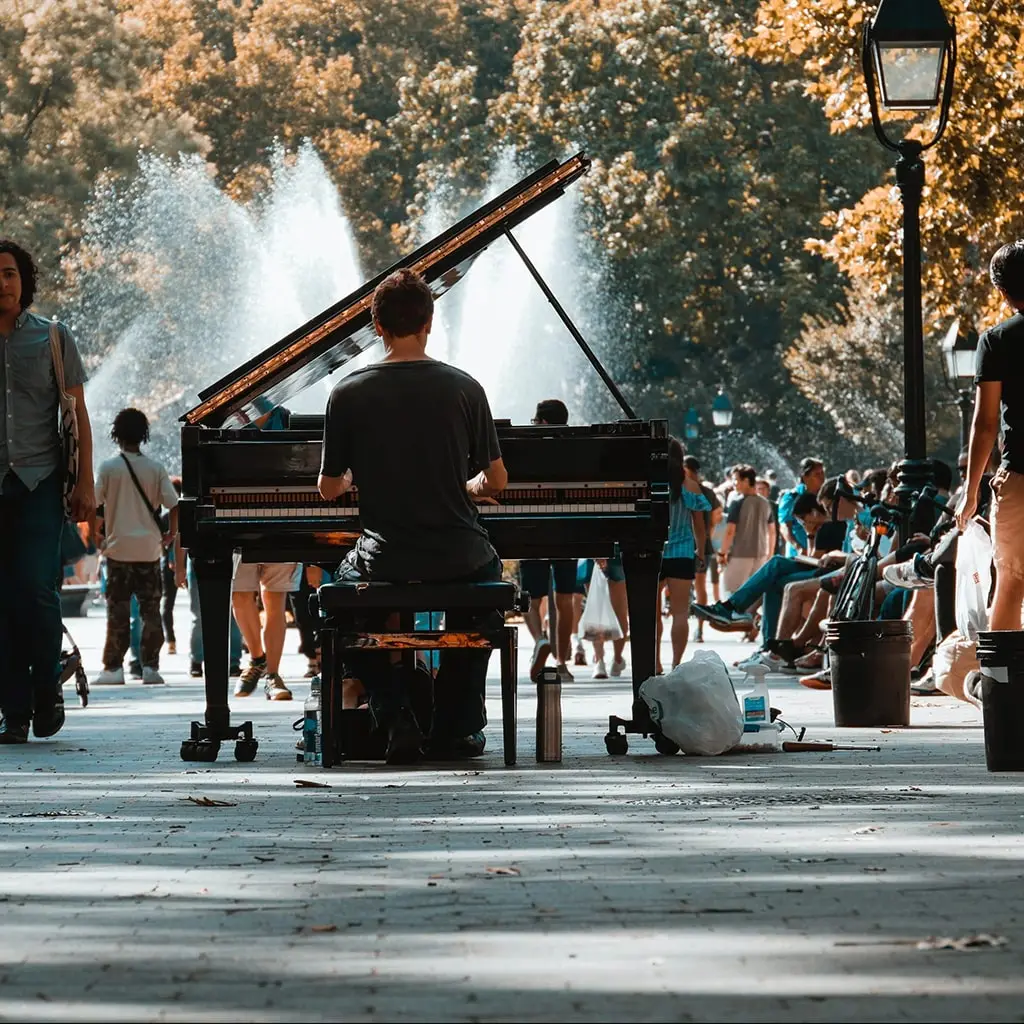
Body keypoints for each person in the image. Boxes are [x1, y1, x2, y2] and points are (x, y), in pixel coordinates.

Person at [318, 268, 508, 764]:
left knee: (340, 603)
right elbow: (498, 482)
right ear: (429, 322)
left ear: (376, 327)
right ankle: (456, 727)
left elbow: (328, 487)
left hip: (386, 556)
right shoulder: (466, 388)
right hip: (460, 553)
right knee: (484, 590)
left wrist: (356, 480)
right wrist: (468, 486)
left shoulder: (347, 391)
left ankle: (395, 711)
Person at [0, 240, 95, 743]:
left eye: (10, 274)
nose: (3, 284)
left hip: (39, 484)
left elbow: (77, 414)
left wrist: (86, 484)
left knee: (36, 593)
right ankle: (12, 711)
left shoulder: (54, 338)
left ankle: (46, 690)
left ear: (24, 280)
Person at [957, 240, 1024, 630]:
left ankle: (1003, 681)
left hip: (1020, 477)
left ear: (1001, 290)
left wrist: (971, 491)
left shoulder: (997, 340)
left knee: (1012, 581)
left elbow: (985, 423)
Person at [93, 409, 179, 686]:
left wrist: (97, 538)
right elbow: (174, 504)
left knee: (117, 610)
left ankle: (113, 669)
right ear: (144, 434)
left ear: (116, 433)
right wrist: (171, 534)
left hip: (118, 550)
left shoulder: (108, 468)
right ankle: (151, 668)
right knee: (151, 609)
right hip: (149, 550)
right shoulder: (155, 469)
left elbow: (94, 505)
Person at [519, 398, 578, 682]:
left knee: (530, 596)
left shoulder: (529, 447)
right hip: (567, 529)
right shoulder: (574, 447)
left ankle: (540, 639)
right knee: (565, 600)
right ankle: (562, 662)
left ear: (541, 422)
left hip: (532, 527)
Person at [656, 438, 710, 673]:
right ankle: (676, 663)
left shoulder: (651, 483)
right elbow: (699, 525)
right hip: (682, 553)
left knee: (652, 613)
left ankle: (654, 662)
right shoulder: (690, 486)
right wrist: (701, 550)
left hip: (653, 552)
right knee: (680, 612)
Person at [718, 465, 776, 595]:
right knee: (753, 596)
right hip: (760, 555)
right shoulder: (765, 503)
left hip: (739, 555)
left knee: (731, 594)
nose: (734, 483)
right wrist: (769, 554)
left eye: (736, 480)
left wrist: (722, 553)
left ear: (745, 481)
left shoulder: (737, 502)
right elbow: (772, 532)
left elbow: (730, 531)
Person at [684, 455, 722, 643]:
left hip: (685, 544)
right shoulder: (708, 492)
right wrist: (709, 533)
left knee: (684, 586)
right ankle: (699, 629)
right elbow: (717, 516)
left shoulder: (684, 489)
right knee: (700, 587)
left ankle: (688, 625)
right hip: (703, 544)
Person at [777, 458, 826, 557]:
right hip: (799, 553)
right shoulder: (791, 497)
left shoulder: (826, 496)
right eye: (817, 474)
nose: (822, 477)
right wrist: (798, 547)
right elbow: (785, 527)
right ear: (805, 477)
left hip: (821, 553)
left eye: (822, 473)